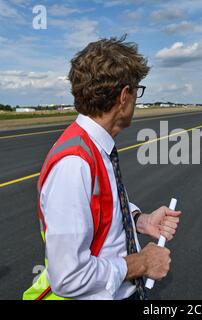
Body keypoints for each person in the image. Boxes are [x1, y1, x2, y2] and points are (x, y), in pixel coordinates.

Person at [23, 36, 181, 300]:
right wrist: (142, 263)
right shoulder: (75, 164)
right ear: (123, 96)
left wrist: (140, 221)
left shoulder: (94, 146)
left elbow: (101, 211)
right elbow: (69, 277)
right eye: (136, 91)